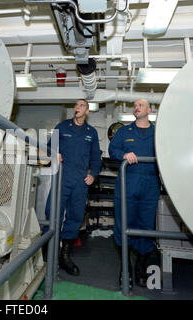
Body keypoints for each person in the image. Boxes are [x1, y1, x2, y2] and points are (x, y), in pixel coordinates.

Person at [43, 99, 102, 276]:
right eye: (76, 105)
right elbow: (48, 149)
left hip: (81, 181)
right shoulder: (62, 127)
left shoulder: (92, 132)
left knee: (75, 216)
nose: (77, 108)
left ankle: (64, 255)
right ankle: (47, 252)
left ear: (87, 112)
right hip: (62, 176)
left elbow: (96, 159)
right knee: (53, 212)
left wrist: (94, 175)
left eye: (81, 106)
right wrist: (54, 154)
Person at [109, 98, 161, 288]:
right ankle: (126, 268)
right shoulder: (124, 131)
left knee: (146, 227)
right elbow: (112, 148)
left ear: (149, 109)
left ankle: (141, 265)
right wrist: (123, 155)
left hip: (150, 186)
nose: (136, 107)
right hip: (127, 185)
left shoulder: (158, 132)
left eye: (140, 105)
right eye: (135, 105)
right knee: (124, 224)